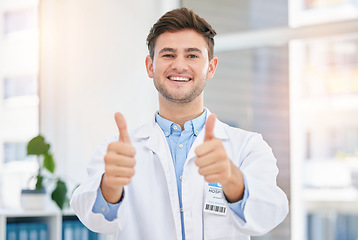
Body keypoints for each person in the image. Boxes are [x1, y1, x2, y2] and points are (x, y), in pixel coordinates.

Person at [71, 7, 289, 240]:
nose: (180, 66)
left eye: (192, 55)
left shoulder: (248, 147)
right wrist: (109, 187)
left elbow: (269, 214)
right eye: (168, 54)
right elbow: (93, 219)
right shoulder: (117, 150)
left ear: (211, 67)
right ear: (150, 66)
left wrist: (231, 179)